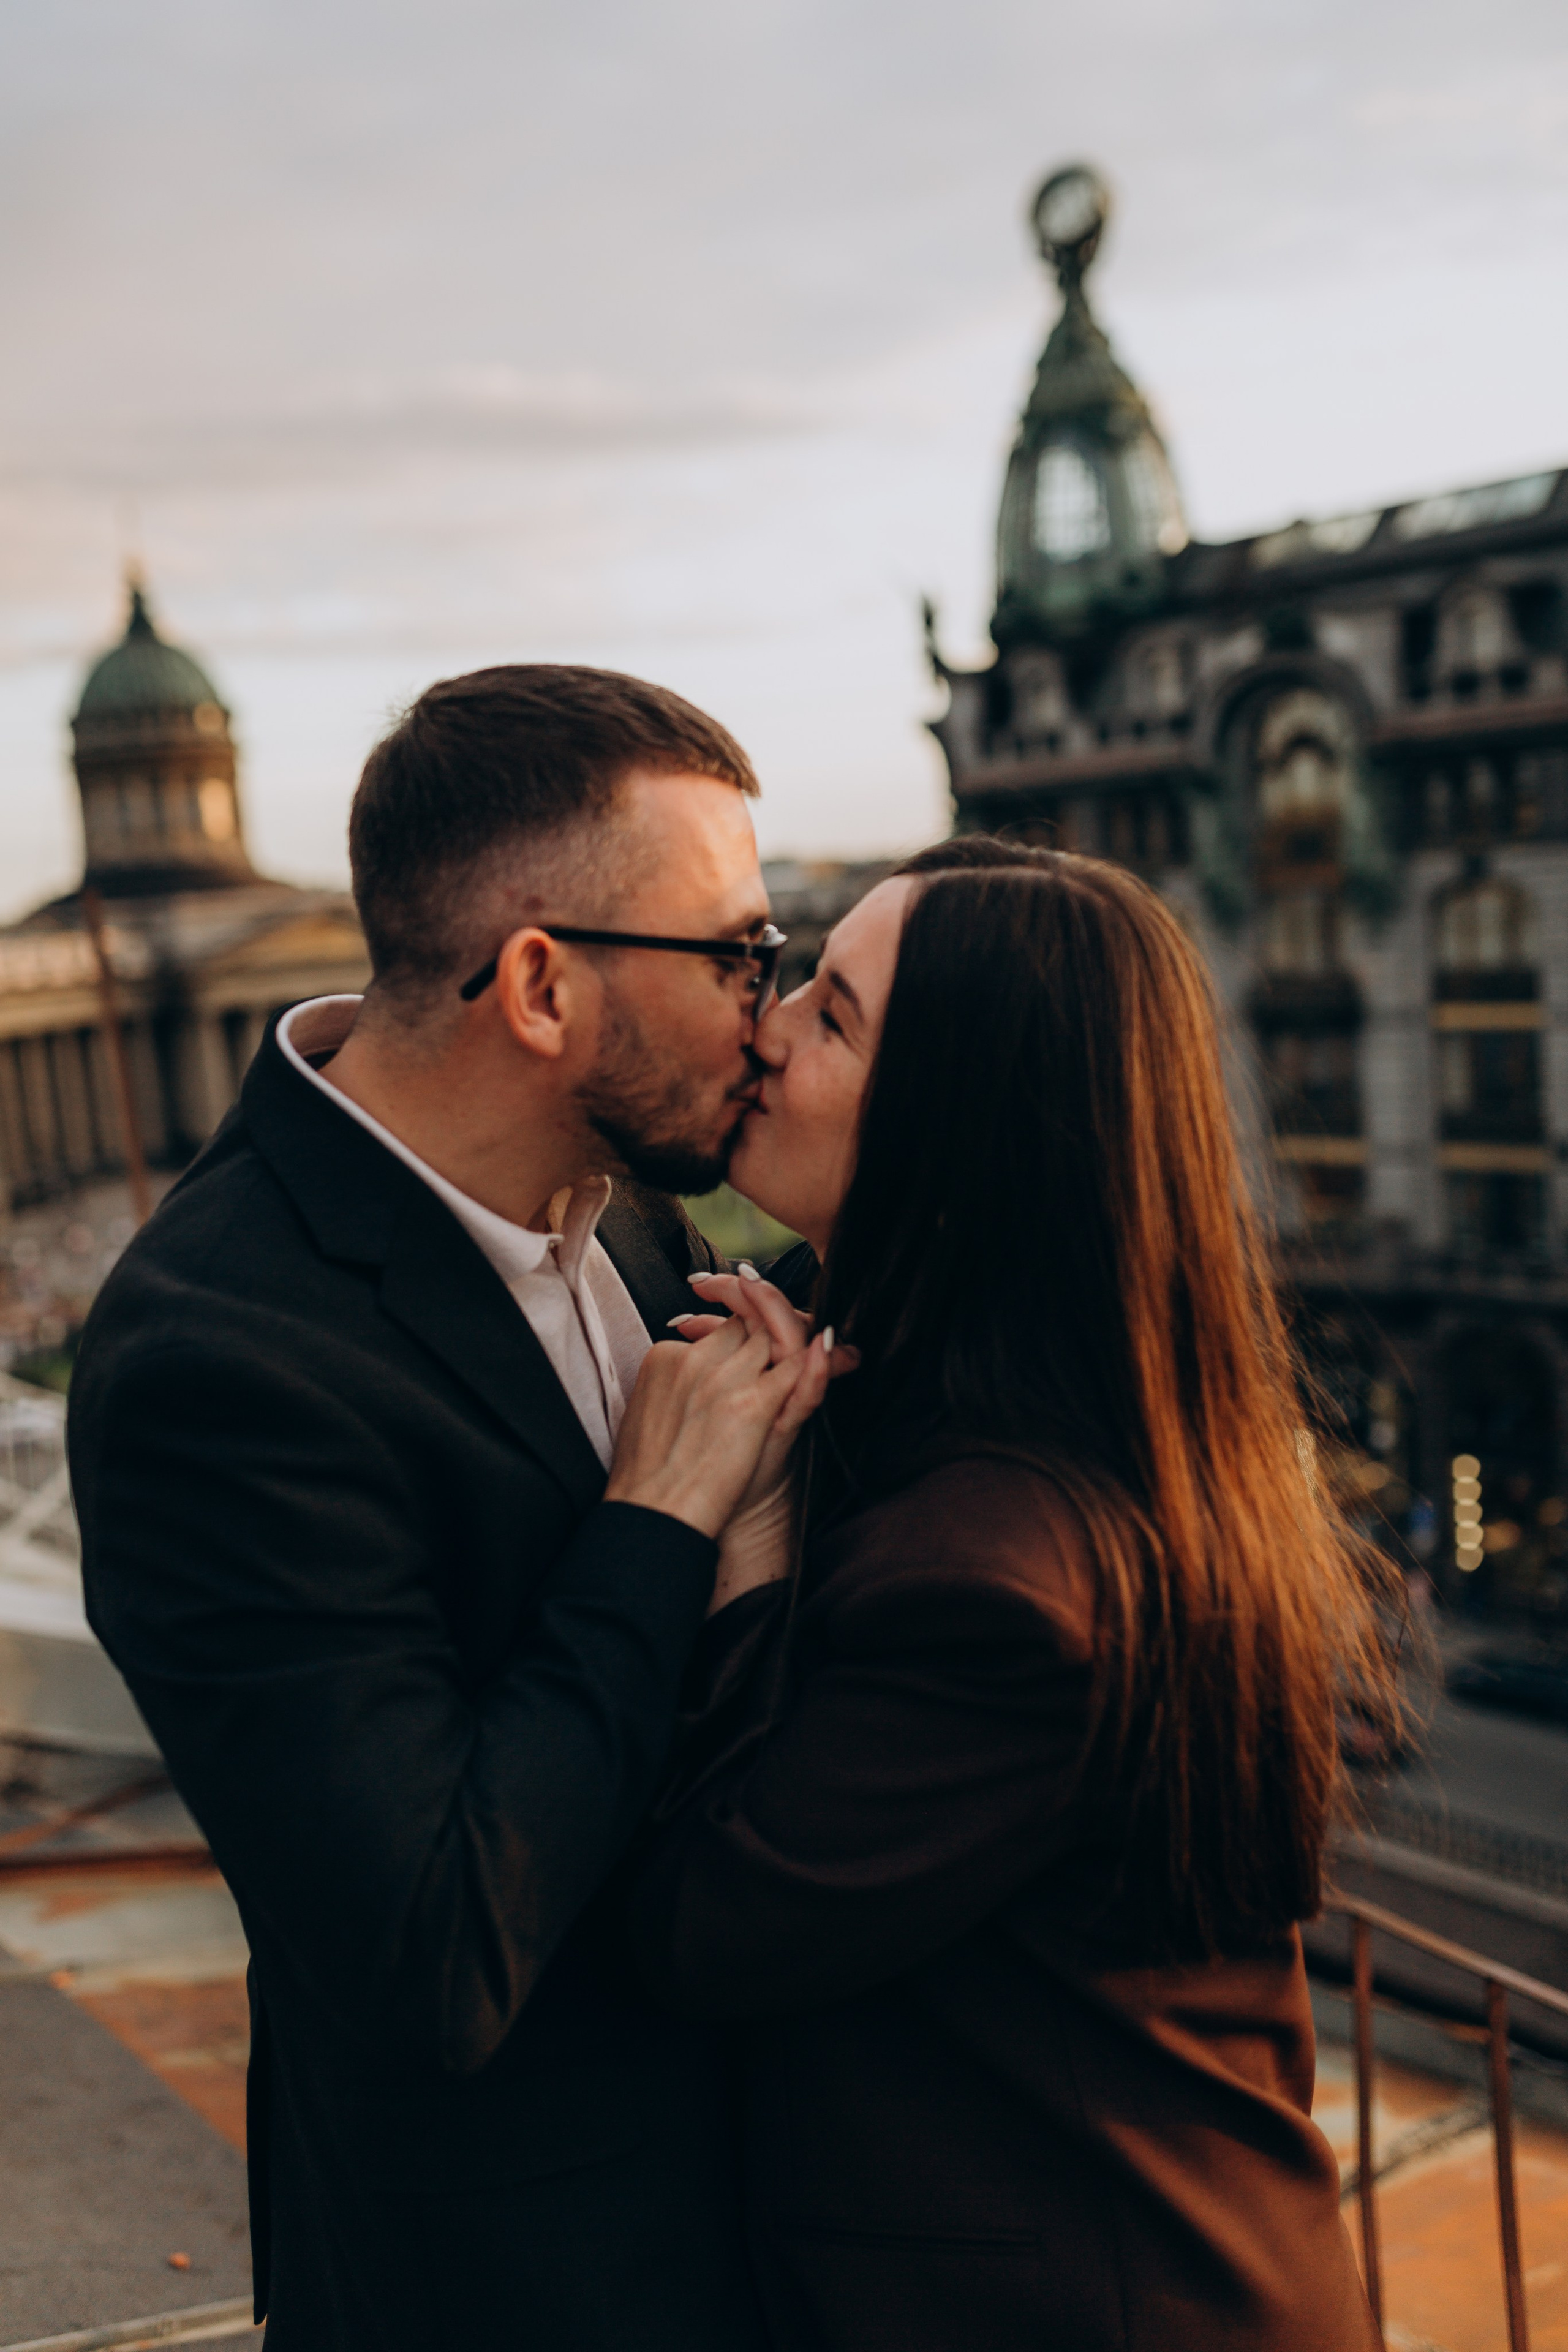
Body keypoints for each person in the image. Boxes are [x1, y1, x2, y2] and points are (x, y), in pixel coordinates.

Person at [67, 665, 831, 2351]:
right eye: (737, 957)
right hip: (524, 2295)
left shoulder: (625, 1207)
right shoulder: (218, 1362)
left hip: (781, 2241)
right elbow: (431, 1951)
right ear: (543, 986)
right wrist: (657, 1523)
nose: (766, 1016)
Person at [630, 838, 1396, 2352]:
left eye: (832, 1017)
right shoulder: (1035, 1436)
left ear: (959, 1128)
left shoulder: (996, 1578)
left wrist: (736, 1543)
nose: (764, 1029)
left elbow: (702, 1930)